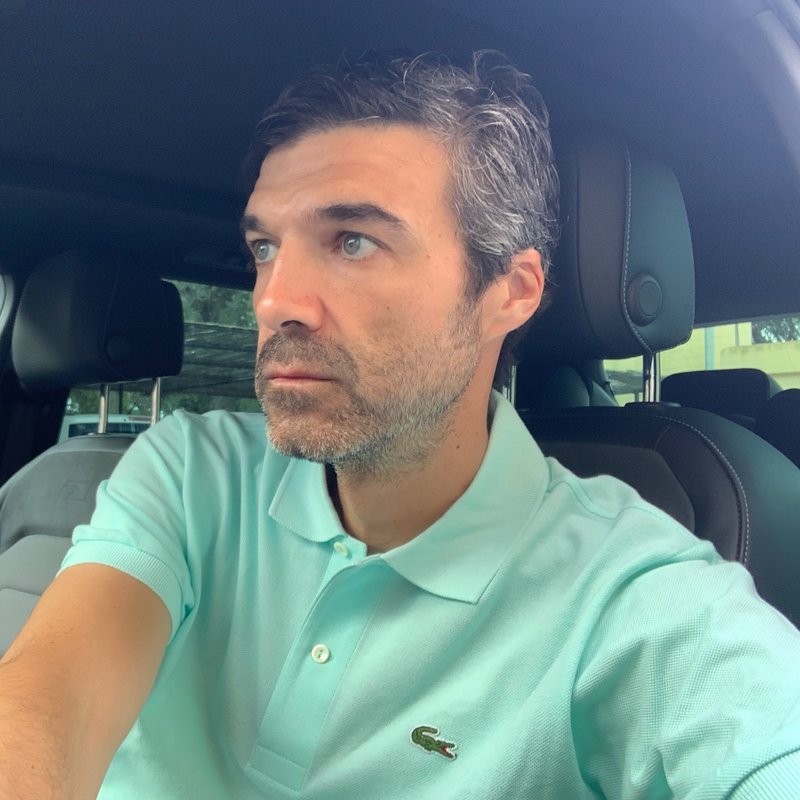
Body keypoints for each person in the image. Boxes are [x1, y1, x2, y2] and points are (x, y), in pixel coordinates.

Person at [2, 50, 800, 800]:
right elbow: (46, 703)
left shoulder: (631, 592)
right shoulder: (189, 470)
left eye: (353, 242)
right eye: (265, 247)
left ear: (512, 291)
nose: (273, 301)